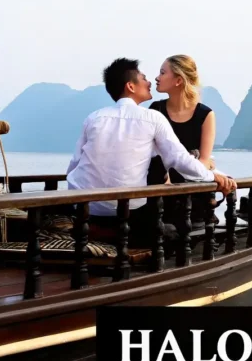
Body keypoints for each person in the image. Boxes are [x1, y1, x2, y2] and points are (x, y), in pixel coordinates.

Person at [66, 57, 236, 244]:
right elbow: (179, 159)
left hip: (85, 207)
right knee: (169, 234)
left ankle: (97, 231)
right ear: (131, 86)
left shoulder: (93, 118)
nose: (150, 81)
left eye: (161, 73)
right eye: (144, 77)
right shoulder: (152, 117)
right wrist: (213, 176)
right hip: (128, 210)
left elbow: (74, 166)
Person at [146, 54, 216, 184]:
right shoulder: (155, 110)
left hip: (192, 189)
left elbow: (205, 161)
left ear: (178, 80)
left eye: (162, 73)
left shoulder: (205, 114)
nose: (157, 78)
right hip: (161, 186)